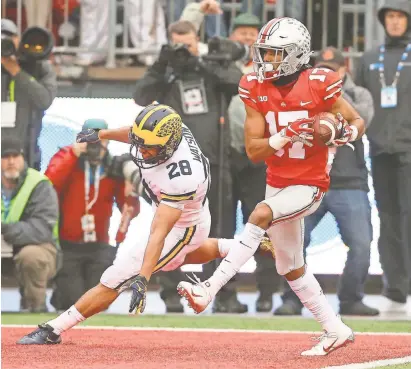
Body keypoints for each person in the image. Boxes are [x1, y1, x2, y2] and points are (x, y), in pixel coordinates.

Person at [178, 17, 365, 356]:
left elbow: (356, 120)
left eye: (275, 54)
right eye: (264, 53)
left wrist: (343, 133)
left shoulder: (321, 81)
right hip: (276, 181)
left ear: (296, 54)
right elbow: (253, 150)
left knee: (260, 214)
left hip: (309, 182)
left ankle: (209, 288)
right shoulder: (253, 86)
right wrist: (286, 134)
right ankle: (335, 328)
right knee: (289, 266)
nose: (267, 61)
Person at [16, 103, 271, 344]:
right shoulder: (167, 134)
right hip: (185, 215)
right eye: (141, 144)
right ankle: (242, 246)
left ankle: (54, 329)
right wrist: (102, 134)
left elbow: (159, 233)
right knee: (177, 260)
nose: (143, 151)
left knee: (119, 275)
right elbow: (137, 134)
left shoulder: (182, 177)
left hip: (182, 225)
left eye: (150, 148)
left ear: (169, 146)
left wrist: (143, 278)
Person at [134, 19, 245, 313]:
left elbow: (237, 83)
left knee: (221, 229)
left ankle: (223, 292)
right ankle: (170, 293)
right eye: (177, 41)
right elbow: (140, 96)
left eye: (188, 41)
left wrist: (200, 61)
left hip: (214, 164)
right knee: (170, 229)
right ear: (171, 40)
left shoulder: (210, 65)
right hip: (173, 168)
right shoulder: (167, 70)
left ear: (198, 38)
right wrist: (163, 63)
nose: (183, 47)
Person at [274, 46, 378, 317]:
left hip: (349, 182)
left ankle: (351, 298)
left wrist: (330, 107)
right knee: (294, 243)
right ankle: (293, 299)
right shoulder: (302, 95)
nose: (329, 74)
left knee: (362, 245)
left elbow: (361, 121)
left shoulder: (359, 95)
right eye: (323, 69)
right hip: (308, 180)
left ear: (345, 70)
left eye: (334, 70)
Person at [45, 118, 140, 311]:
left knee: (95, 303)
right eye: (91, 141)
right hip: (68, 245)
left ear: (107, 141)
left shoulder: (114, 167)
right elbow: (49, 185)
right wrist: (73, 154)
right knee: (72, 302)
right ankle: (61, 292)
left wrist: (129, 191)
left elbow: (130, 210)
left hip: (99, 246)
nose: (95, 146)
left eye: (100, 140)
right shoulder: (68, 158)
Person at [356, 0, 411, 311]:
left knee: (409, 217)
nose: (394, 22)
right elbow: (359, 104)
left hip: (410, 147)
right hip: (379, 149)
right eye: (389, 16)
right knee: (388, 218)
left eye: (400, 17)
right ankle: (395, 284)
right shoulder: (368, 58)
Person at [1, 136, 59, 312]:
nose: (11, 161)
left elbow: (42, 229)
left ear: (23, 158)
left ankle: (36, 309)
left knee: (31, 256)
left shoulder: (39, 184)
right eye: (5, 157)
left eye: (15, 156)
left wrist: (6, 230)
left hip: (37, 247)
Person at [1, 19, 57, 170]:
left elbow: (44, 100)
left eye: (9, 37)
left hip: (26, 153)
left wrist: (17, 71)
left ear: (18, 39)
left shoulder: (38, 66)